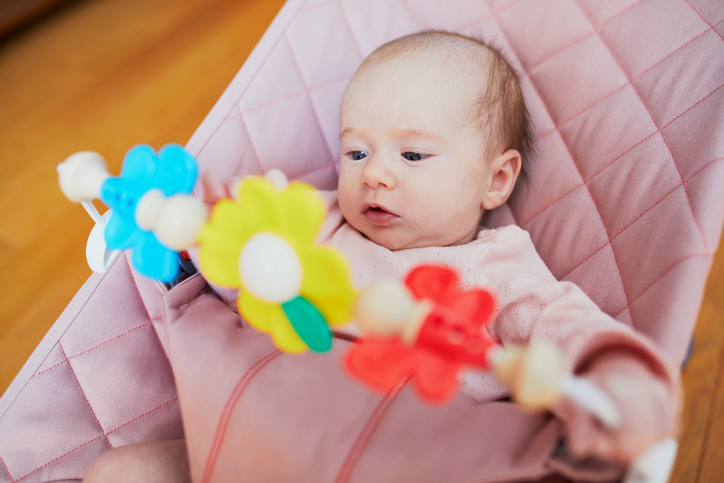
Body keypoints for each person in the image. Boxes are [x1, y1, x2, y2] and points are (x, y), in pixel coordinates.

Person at [84, 30, 679, 483]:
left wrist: (619, 386)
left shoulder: (497, 271)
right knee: (121, 472)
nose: (376, 176)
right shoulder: (316, 220)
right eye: (357, 152)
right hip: (258, 439)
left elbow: (569, 329)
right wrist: (198, 217)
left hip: (399, 458)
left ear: (496, 180)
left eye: (413, 156)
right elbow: (239, 247)